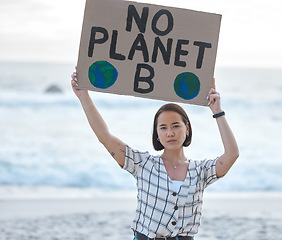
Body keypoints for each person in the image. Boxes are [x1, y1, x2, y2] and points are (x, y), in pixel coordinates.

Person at [71, 69, 239, 240]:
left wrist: (217, 110)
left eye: (176, 126)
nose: (170, 133)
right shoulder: (142, 164)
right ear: (157, 134)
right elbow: (105, 137)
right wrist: (84, 97)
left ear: (186, 129)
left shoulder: (200, 171)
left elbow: (232, 154)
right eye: (163, 128)